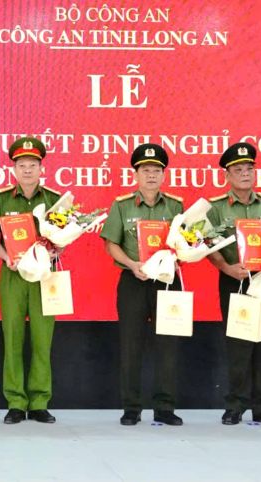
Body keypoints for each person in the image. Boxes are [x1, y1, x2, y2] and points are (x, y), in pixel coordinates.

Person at [99, 143, 185, 426]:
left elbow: (186, 243)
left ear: (163, 175)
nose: (151, 175)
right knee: (131, 345)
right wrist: (132, 265)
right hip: (133, 281)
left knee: (168, 346)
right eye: (145, 170)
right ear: (135, 173)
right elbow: (111, 244)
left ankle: (165, 407)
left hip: (167, 283)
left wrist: (178, 256)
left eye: (156, 170)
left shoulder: (176, 205)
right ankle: (131, 408)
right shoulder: (122, 205)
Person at [0, 137, 61, 424]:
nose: (27, 170)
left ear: (41, 168)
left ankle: (39, 401)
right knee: (12, 337)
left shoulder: (53, 199)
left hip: (44, 278)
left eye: (33, 165)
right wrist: (6, 257)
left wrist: (55, 250)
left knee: (42, 340)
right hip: (13, 276)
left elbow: (63, 236)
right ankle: (15, 401)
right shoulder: (2, 199)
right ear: (14, 169)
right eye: (21, 165)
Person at [207, 142, 261, 426]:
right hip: (235, 280)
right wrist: (225, 267)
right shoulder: (216, 208)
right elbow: (207, 244)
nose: (244, 174)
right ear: (227, 176)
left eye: (249, 169)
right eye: (238, 170)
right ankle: (235, 405)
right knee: (239, 344)